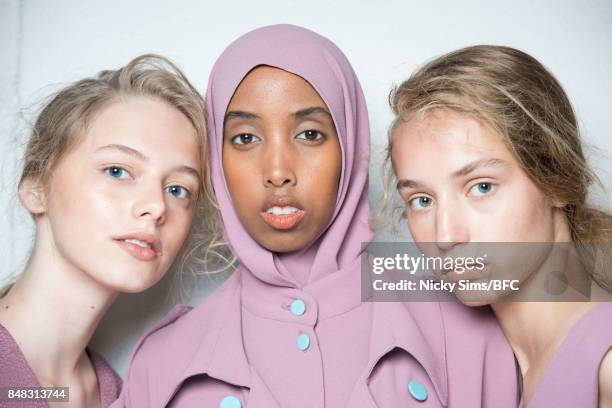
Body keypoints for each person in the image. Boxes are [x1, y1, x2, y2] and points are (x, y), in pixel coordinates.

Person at [113, 25, 518, 407]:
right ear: (216, 162)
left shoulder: (462, 326)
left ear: (350, 144)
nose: (277, 171)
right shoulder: (163, 362)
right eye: (245, 138)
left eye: (309, 134)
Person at [386, 45, 612, 407]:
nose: (445, 236)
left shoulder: (605, 367)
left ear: (556, 180)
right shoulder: (478, 365)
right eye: (422, 201)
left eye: (482, 187)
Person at [0, 54, 216, 407]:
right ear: (36, 186)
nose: (157, 207)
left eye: (178, 189)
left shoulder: (119, 394)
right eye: (118, 171)